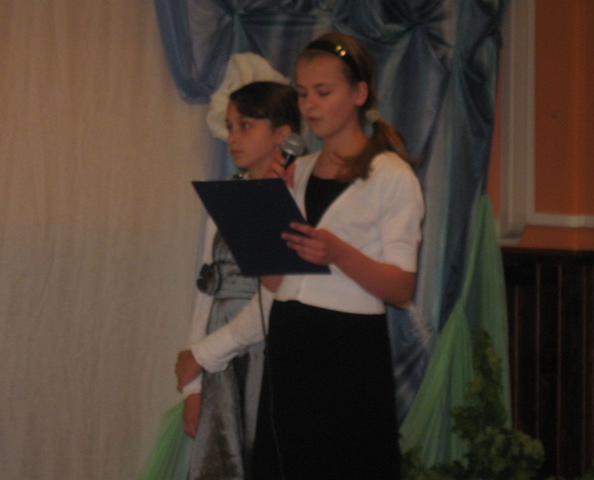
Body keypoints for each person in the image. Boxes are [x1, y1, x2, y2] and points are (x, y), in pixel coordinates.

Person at [177, 31, 424, 480]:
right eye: (304, 93)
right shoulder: (299, 170)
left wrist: (339, 253)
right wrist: (266, 216)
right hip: (290, 339)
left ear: (359, 94)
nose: (310, 105)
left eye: (323, 92)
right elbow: (276, 282)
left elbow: (402, 287)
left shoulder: (391, 175)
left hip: (347, 346)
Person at [175, 80, 301, 480]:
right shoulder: (230, 194)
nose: (232, 137)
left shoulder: (295, 201)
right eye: (231, 126)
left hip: (263, 356)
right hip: (217, 362)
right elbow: (208, 289)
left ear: (282, 134)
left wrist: (205, 355)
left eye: (245, 126)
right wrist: (194, 387)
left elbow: (273, 298)